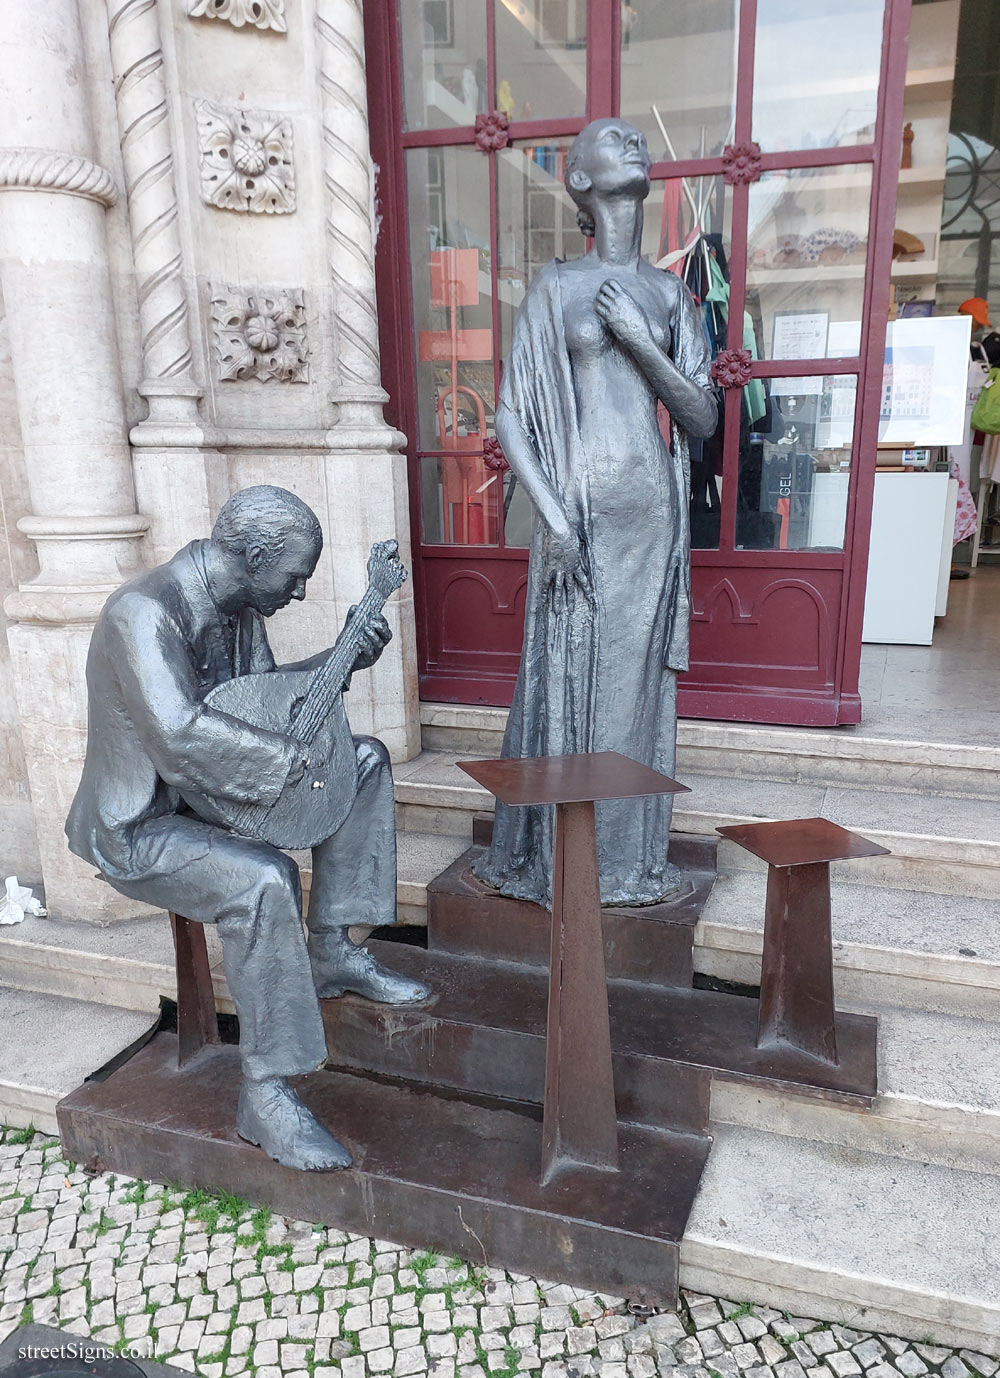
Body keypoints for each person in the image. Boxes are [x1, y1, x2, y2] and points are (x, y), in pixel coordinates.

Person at [66, 485, 428, 1172]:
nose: (296, 593)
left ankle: (331, 949)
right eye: (294, 577)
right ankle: (265, 1091)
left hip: (210, 795)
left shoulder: (240, 607)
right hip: (144, 824)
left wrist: (342, 655)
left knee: (366, 762)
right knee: (264, 880)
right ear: (256, 557)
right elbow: (179, 738)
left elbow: (263, 707)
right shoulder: (142, 614)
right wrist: (283, 764)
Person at [474, 118, 718, 907]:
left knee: (630, 689)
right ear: (578, 178)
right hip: (573, 513)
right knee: (570, 681)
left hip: (648, 518)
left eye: (638, 137)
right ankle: (562, 860)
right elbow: (511, 416)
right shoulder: (554, 287)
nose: (636, 142)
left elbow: (703, 418)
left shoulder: (670, 293)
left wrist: (642, 343)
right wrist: (551, 515)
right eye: (613, 139)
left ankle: (624, 860)